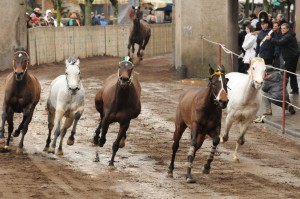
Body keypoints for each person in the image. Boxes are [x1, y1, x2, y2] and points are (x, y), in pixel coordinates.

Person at [266, 23, 299, 94]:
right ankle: (295, 89)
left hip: (290, 57)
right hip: (292, 56)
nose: (282, 30)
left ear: (287, 29)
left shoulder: (288, 36)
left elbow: (280, 42)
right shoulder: (287, 35)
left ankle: (281, 91)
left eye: (284, 28)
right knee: (292, 73)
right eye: (281, 28)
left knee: (286, 74)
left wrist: (270, 39)